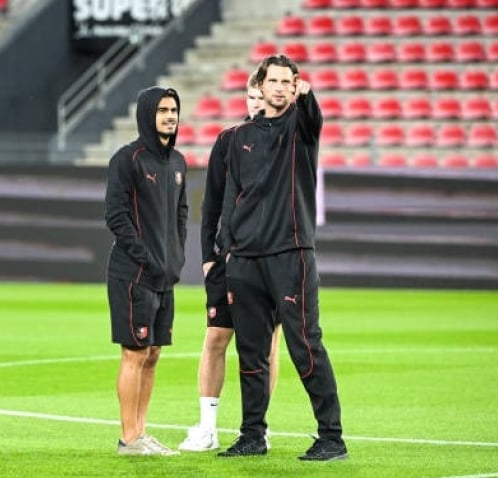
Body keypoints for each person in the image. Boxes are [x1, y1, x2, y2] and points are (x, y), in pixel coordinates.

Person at [216, 55, 347, 461]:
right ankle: (252, 435)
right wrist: (226, 252)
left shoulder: (301, 128)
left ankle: (332, 437)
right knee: (250, 352)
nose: (278, 87)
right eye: (271, 80)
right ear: (260, 84)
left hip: (291, 255)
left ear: (294, 87)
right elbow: (230, 200)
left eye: (286, 82)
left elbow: (313, 116)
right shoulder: (238, 138)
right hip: (246, 261)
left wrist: (308, 97)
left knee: (305, 345)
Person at [178, 71, 283, 452]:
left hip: (270, 260)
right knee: (216, 338)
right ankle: (207, 427)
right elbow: (211, 204)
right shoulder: (229, 141)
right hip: (229, 259)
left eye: (262, 97)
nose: (256, 103)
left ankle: (259, 427)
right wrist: (208, 257)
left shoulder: (285, 141)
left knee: (268, 344)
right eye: (251, 97)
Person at [104, 86, 188, 456]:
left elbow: (182, 214)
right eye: (162, 110)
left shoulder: (179, 162)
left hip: (164, 277)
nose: (170, 116)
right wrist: (146, 257)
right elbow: (116, 216)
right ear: (146, 115)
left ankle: (142, 431)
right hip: (133, 275)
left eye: (173, 110)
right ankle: (128, 438)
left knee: (153, 354)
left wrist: (176, 255)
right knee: (134, 353)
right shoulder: (127, 159)